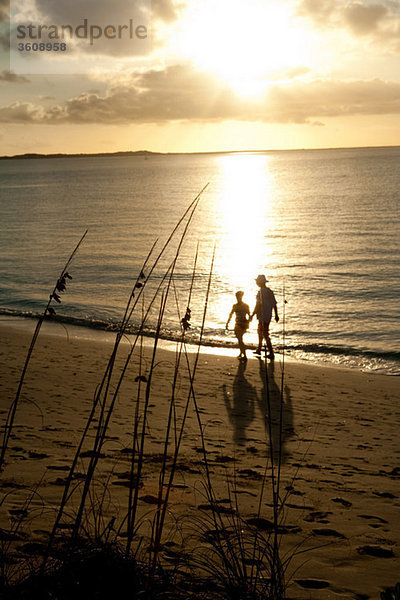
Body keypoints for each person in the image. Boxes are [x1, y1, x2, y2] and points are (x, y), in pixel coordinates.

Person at [251, 274, 279, 359]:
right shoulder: (270, 291)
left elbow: (258, 305)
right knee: (261, 331)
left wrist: (252, 314)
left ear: (259, 283)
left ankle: (271, 352)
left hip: (262, 315)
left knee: (264, 333)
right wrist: (276, 315)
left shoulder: (260, 292)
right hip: (268, 315)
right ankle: (259, 349)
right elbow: (274, 304)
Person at [226, 291, 250, 360]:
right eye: (237, 297)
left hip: (241, 323)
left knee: (240, 339)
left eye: (238, 296)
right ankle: (241, 353)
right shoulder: (242, 305)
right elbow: (231, 314)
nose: (237, 298)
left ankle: (244, 355)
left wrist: (227, 323)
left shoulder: (240, 306)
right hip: (241, 323)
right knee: (240, 339)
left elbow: (249, 315)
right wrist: (228, 322)